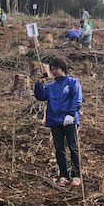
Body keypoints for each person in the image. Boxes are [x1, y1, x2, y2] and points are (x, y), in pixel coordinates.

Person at [34, 58, 83, 187]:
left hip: (69, 120)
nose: (53, 71)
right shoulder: (51, 86)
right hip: (54, 120)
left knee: (73, 147)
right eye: (52, 69)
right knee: (59, 148)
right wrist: (38, 83)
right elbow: (40, 96)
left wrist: (71, 114)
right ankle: (63, 175)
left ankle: (76, 174)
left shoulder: (72, 82)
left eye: (55, 68)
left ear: (62, 68)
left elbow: (77, 99)